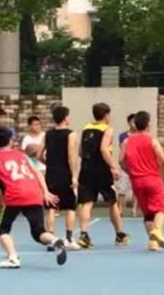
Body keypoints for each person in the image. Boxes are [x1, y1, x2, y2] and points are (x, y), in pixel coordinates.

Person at [0, 126, 67, 269]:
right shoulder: (22, 156)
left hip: (14, 196)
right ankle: (54, 240)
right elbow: (38, 172)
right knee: (39, 232)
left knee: (1, 229)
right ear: (10, 141)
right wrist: (46, 192)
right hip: (34, 194)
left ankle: (12, 257)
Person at [77, 103, 130, 250]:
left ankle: (84, 235)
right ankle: (120, 234)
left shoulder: (86, 128)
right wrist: (113, 167)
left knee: (86, 202)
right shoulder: (107, 129)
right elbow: (103, 149)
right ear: (106, 115)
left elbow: (80, 151)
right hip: (102, 170)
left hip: (86, 169)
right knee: (112, 201)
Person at [122, 110, 164, 252]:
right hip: (152, 179)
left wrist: (130, 172)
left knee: (148, 213)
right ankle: (157, 231)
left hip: (137, 182)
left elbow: (121, 160)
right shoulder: (151, 140)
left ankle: (152, 243)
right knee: (160, 209)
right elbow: (163, 159)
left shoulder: (127, 141)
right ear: (148, 124)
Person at [44, 106, 81, 251]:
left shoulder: (48, 134)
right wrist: (74, 176)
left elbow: (40, 154)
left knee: (51, 207)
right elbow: (72, 157)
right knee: (71, 207)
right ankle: (69, 239)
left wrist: (49, 162)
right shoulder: (71, 135)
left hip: (51, 173)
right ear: (65, 118)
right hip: (65, 174)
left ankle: (50, 239)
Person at [117, 114, 137, 216]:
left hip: (137, 166)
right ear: (129, 123)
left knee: (136, 190)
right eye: (132, 122)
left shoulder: (141, 135)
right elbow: (122, 151)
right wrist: (124, 166)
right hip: (125, 166)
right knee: (122, 189)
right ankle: (120, 209)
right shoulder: (123, 136)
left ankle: (134, 209)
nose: (134, 124)